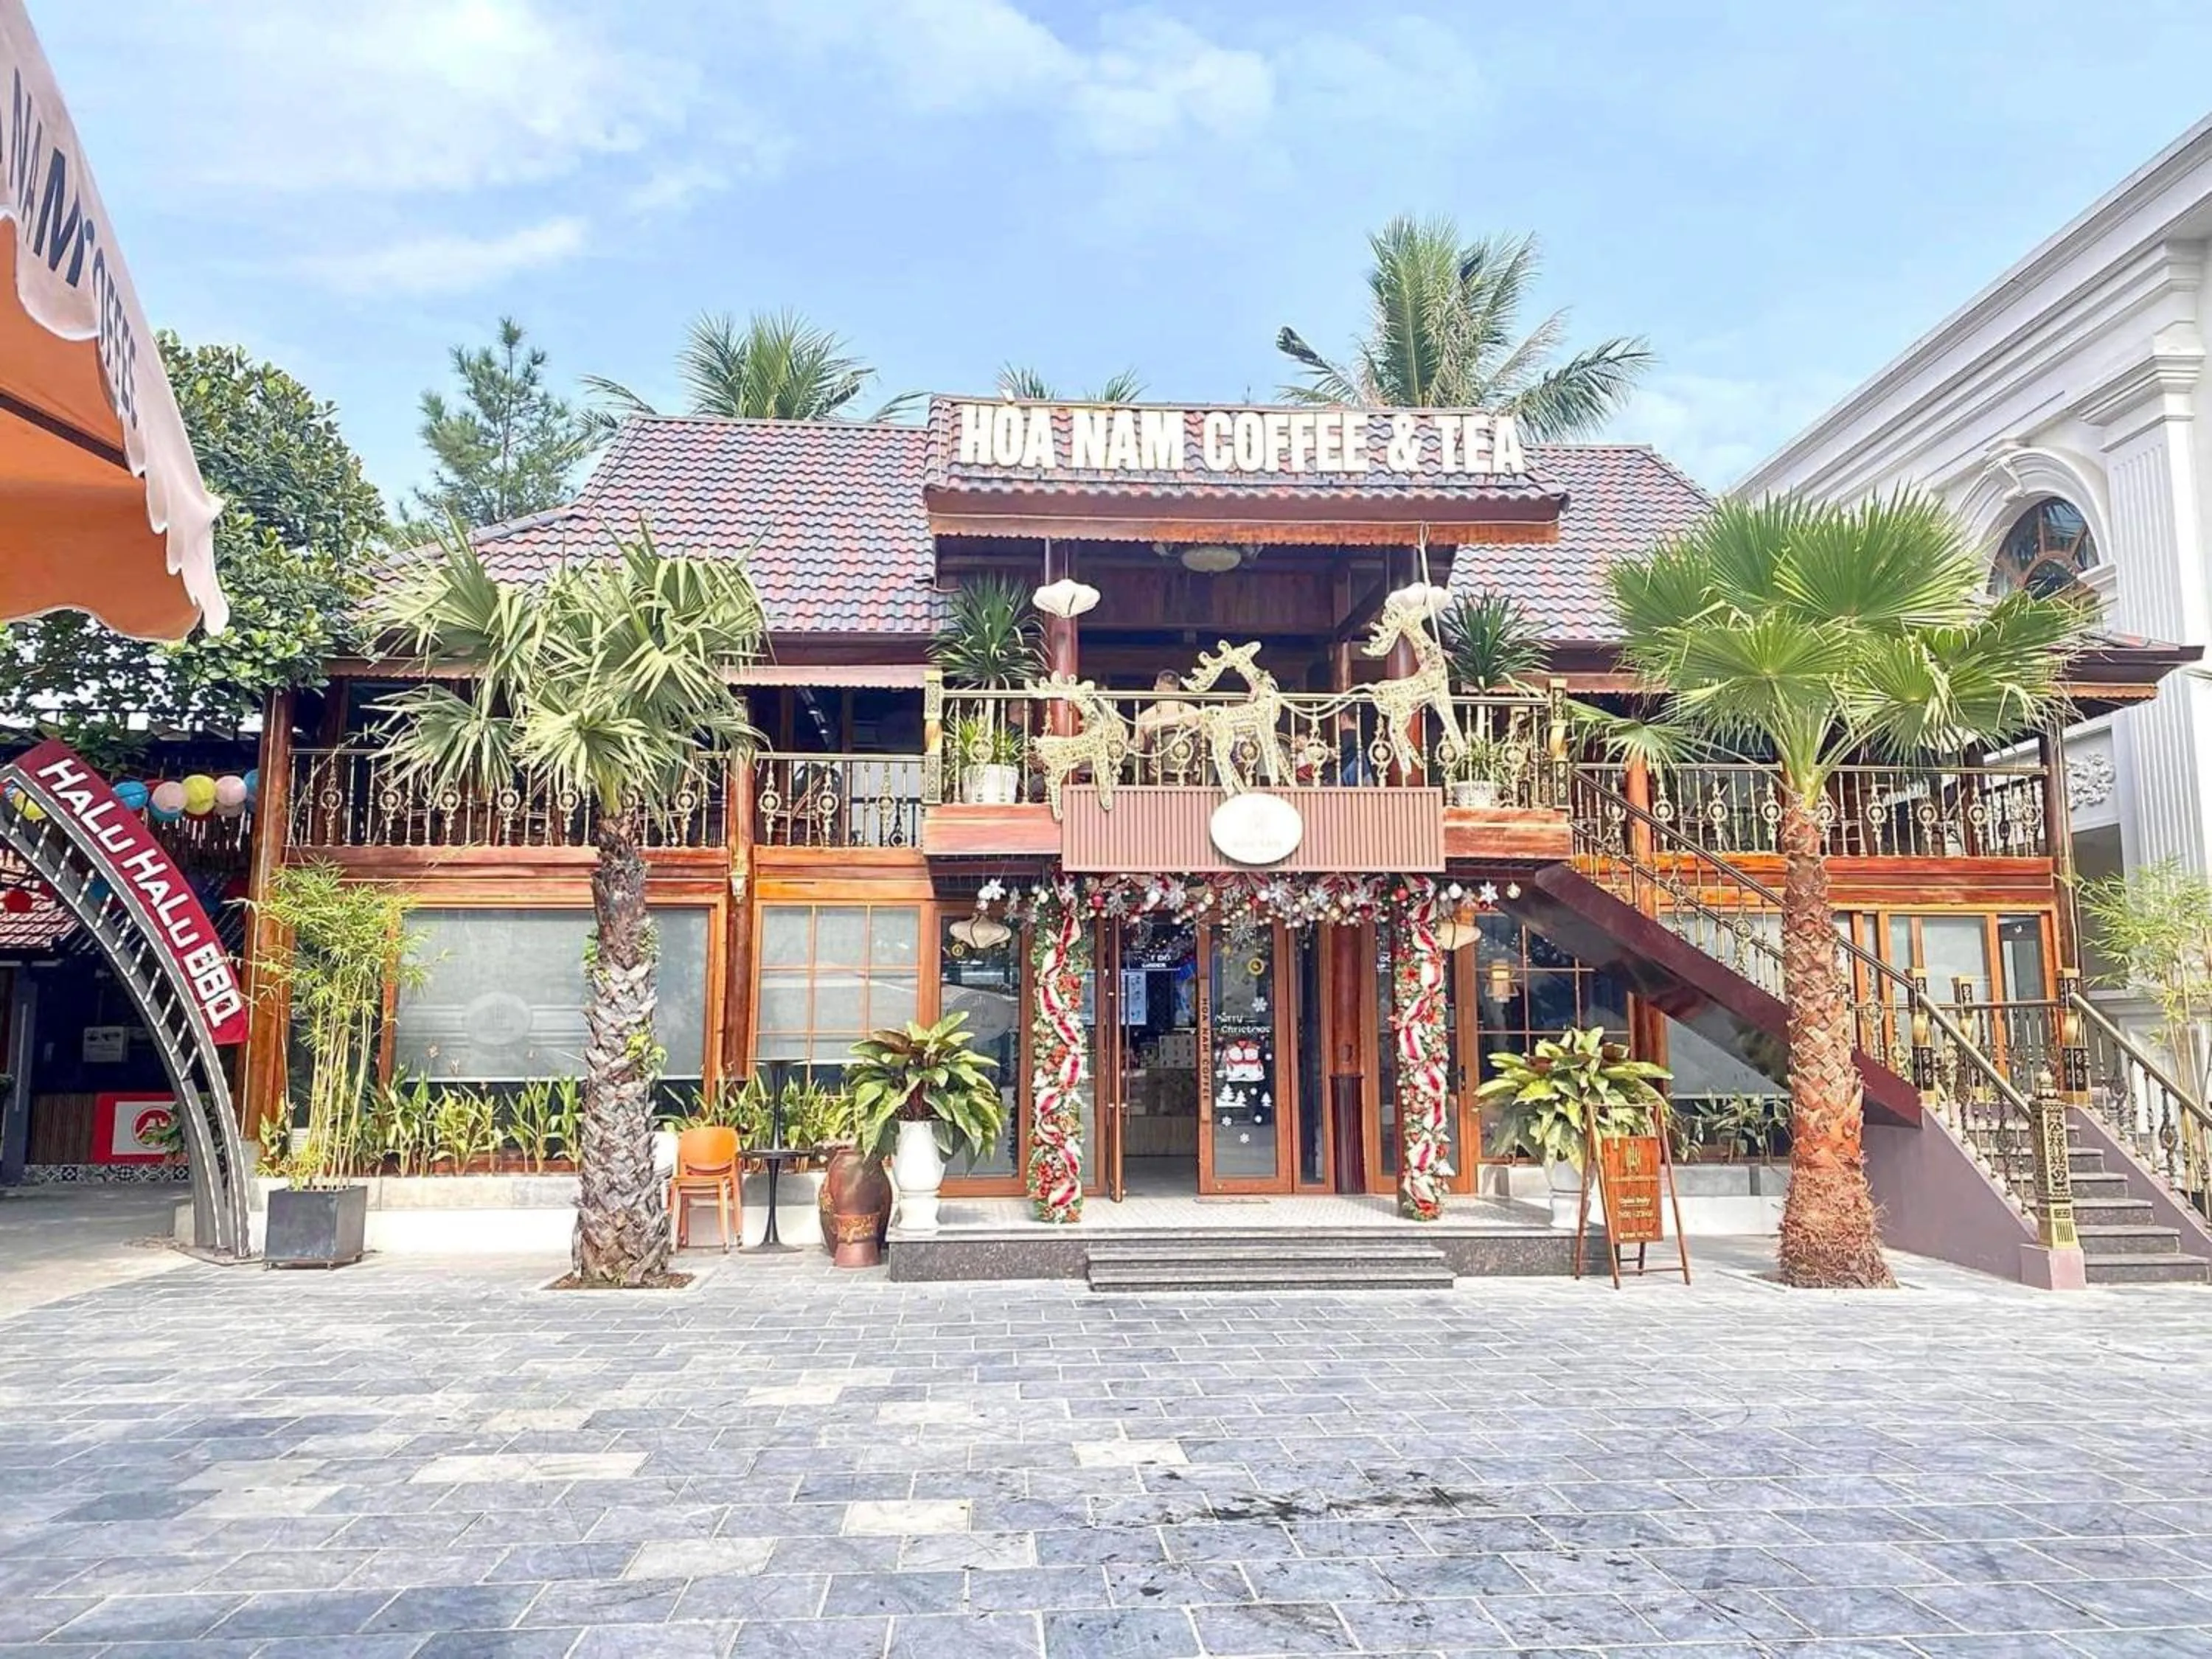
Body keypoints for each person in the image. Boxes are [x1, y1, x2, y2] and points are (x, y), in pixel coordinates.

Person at [1133, 669, 1200, 781]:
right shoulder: (1195, 713)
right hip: (1190, 774)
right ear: (1178, 688)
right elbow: (1205, 743)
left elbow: (1138, 747)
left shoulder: (1147, 716)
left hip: (1158, 775)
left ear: (1156, 688)